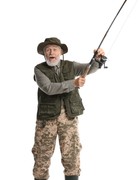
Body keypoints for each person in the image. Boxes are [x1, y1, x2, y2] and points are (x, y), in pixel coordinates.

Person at [32, 37, 106, 180]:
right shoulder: (38, 69)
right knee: (42, 155)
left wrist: (98, 59)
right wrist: (74, 83)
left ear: (60, 52)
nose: (51, 52)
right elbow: (48, 88)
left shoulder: (70, 65)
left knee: (71, 153)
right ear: (44, 53)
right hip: (46, 120)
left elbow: (89, 69)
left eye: (54, 49)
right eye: (48, 50)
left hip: (69, 117)